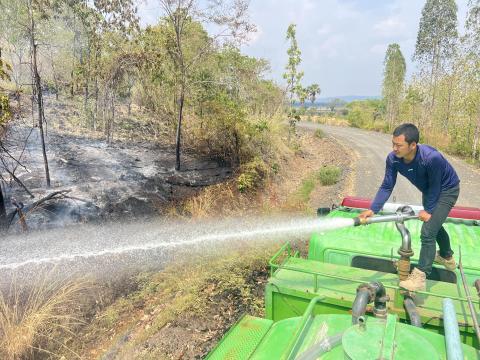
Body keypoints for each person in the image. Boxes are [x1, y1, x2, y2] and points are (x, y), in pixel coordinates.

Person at [358, 123, 460, 291]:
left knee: (428, 230)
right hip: (429, 190)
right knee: (434, 224)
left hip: (447, 189)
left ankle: (420, 276)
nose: (394, 148)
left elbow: (436, 186)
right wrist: (373, 209)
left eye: (399, 145)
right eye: (393, 144)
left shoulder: (431, 157)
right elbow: (387, 185)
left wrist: (429, 211)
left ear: (413, 145)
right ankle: (446, 256)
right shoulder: (393, 159)